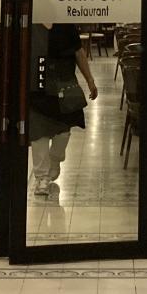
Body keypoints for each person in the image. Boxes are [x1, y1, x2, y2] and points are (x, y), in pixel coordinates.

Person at [29, 22, 98, 199]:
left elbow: (78, 52)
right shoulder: (32, 24)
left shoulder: (66, 24)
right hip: (38, 84)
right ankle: (42, 178)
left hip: (64, 84)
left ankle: (56, 158)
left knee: (63, 132)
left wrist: (90, 80)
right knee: (38, 133)